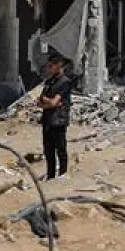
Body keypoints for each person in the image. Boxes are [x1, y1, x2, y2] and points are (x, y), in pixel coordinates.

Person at [38, 49, 76, 180]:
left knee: (60, 149)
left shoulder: (65, 82)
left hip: (58, 120)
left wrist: (50, 102)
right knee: (48, 150)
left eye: (51, 65)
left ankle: (63, 174)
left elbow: (54, 102)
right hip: (48, 119)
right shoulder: (49, 81)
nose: (49, 68)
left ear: (59, 65)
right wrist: (50, 103)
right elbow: (40, 100)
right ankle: (50, 175)